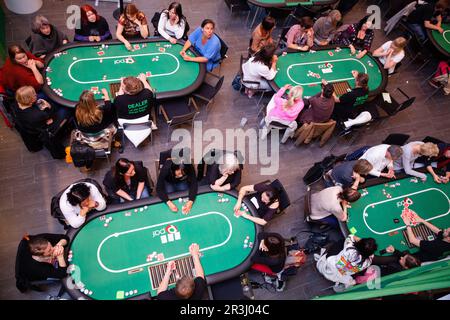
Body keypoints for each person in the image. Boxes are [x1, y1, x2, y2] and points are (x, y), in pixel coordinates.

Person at [13, 86, 67, 156]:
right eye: (34, 94)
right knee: (64, 110)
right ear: (31, 100)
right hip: (45, 127)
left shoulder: (17, 104)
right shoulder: (38, 115)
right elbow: (50, 115)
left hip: (31, 123)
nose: (36, 94)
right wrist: (48, 106)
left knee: (42, 95)